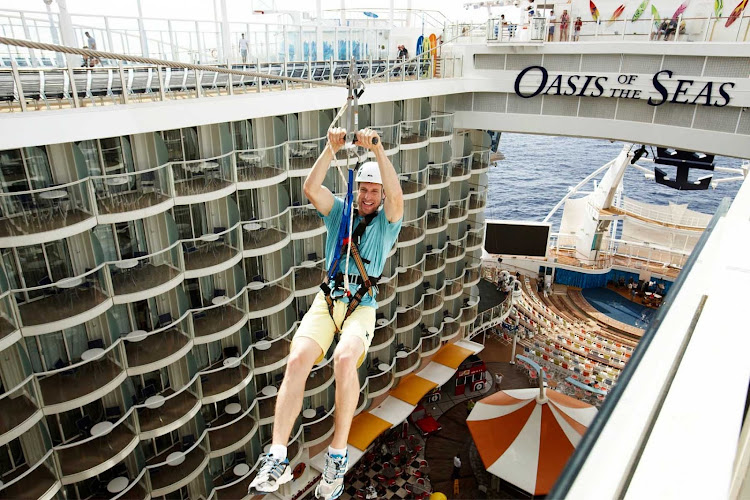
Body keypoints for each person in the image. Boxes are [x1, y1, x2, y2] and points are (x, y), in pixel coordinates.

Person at [248, 127, 403, 499]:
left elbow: (397, 196)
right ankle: (277, 455)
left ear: (380, 195)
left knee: (344, 359)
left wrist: (377, 149)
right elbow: (310, 188)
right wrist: (330, 149)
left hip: (361, 304)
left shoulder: (387, 222)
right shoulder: (340, 213)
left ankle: (337, 455)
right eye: (363, 190)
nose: (367, 196)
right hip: (329, 297)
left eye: (372, 191)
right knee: (298, 358)